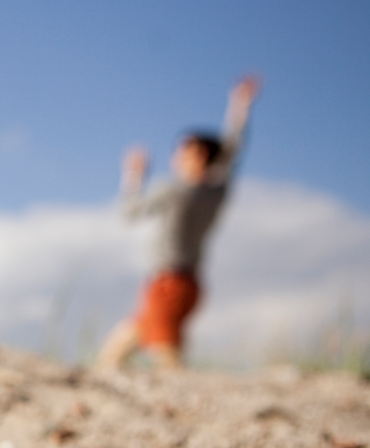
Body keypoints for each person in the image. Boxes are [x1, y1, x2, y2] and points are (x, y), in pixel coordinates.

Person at [96, 75, 262, 370]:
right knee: (123, 340)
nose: (179, 156)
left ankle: (186, 405)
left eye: (186, 150)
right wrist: (240, 105)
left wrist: (134, 175)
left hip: (171, 282)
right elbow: (232, 149)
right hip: (180, 282)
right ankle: (101, 384)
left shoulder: (184, 189)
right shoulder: (213, 190)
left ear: (201, 156)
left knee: (165, 351)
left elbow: (129, 212)